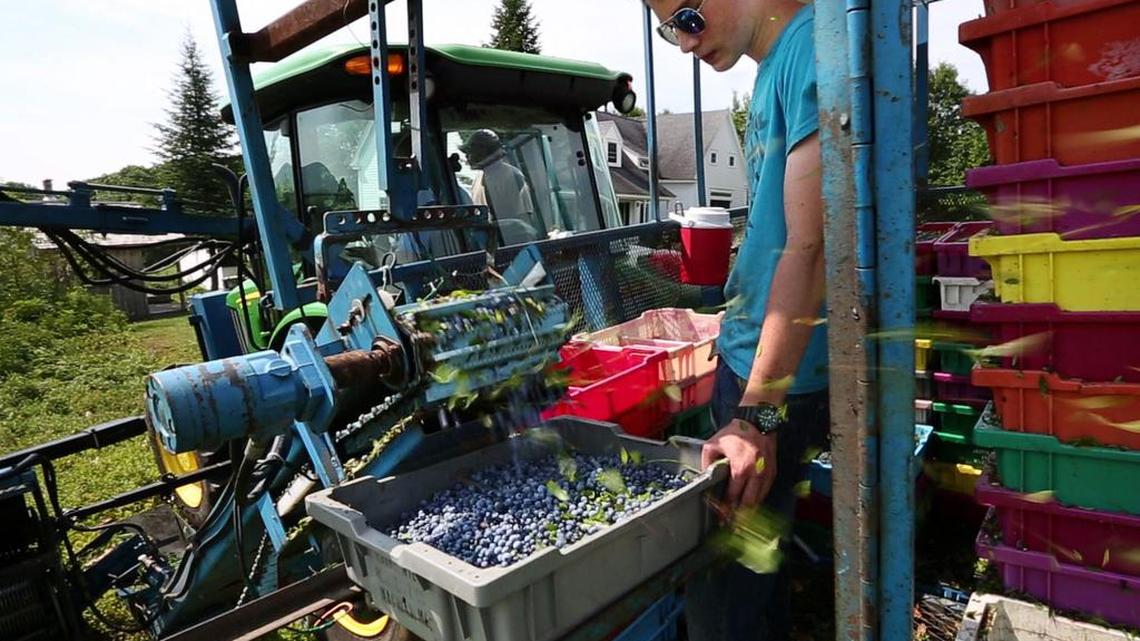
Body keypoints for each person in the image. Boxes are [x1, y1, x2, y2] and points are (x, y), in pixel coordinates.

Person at [646, 1, 830, 640]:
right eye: (669, 28)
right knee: (755, 562)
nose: (681, 42)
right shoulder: (780, 64)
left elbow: (813, 246)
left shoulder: (812, 45)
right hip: (758, 363)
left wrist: (757, 418)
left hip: (776, 382)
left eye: (686, 16)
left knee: (726, 587)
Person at [460, 129, 540, 246]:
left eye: (470, 152)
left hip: (512, 246)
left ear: (483, 151)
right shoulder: (477, 180)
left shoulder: (513, 176)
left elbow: (523, 225)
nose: (467, 157)